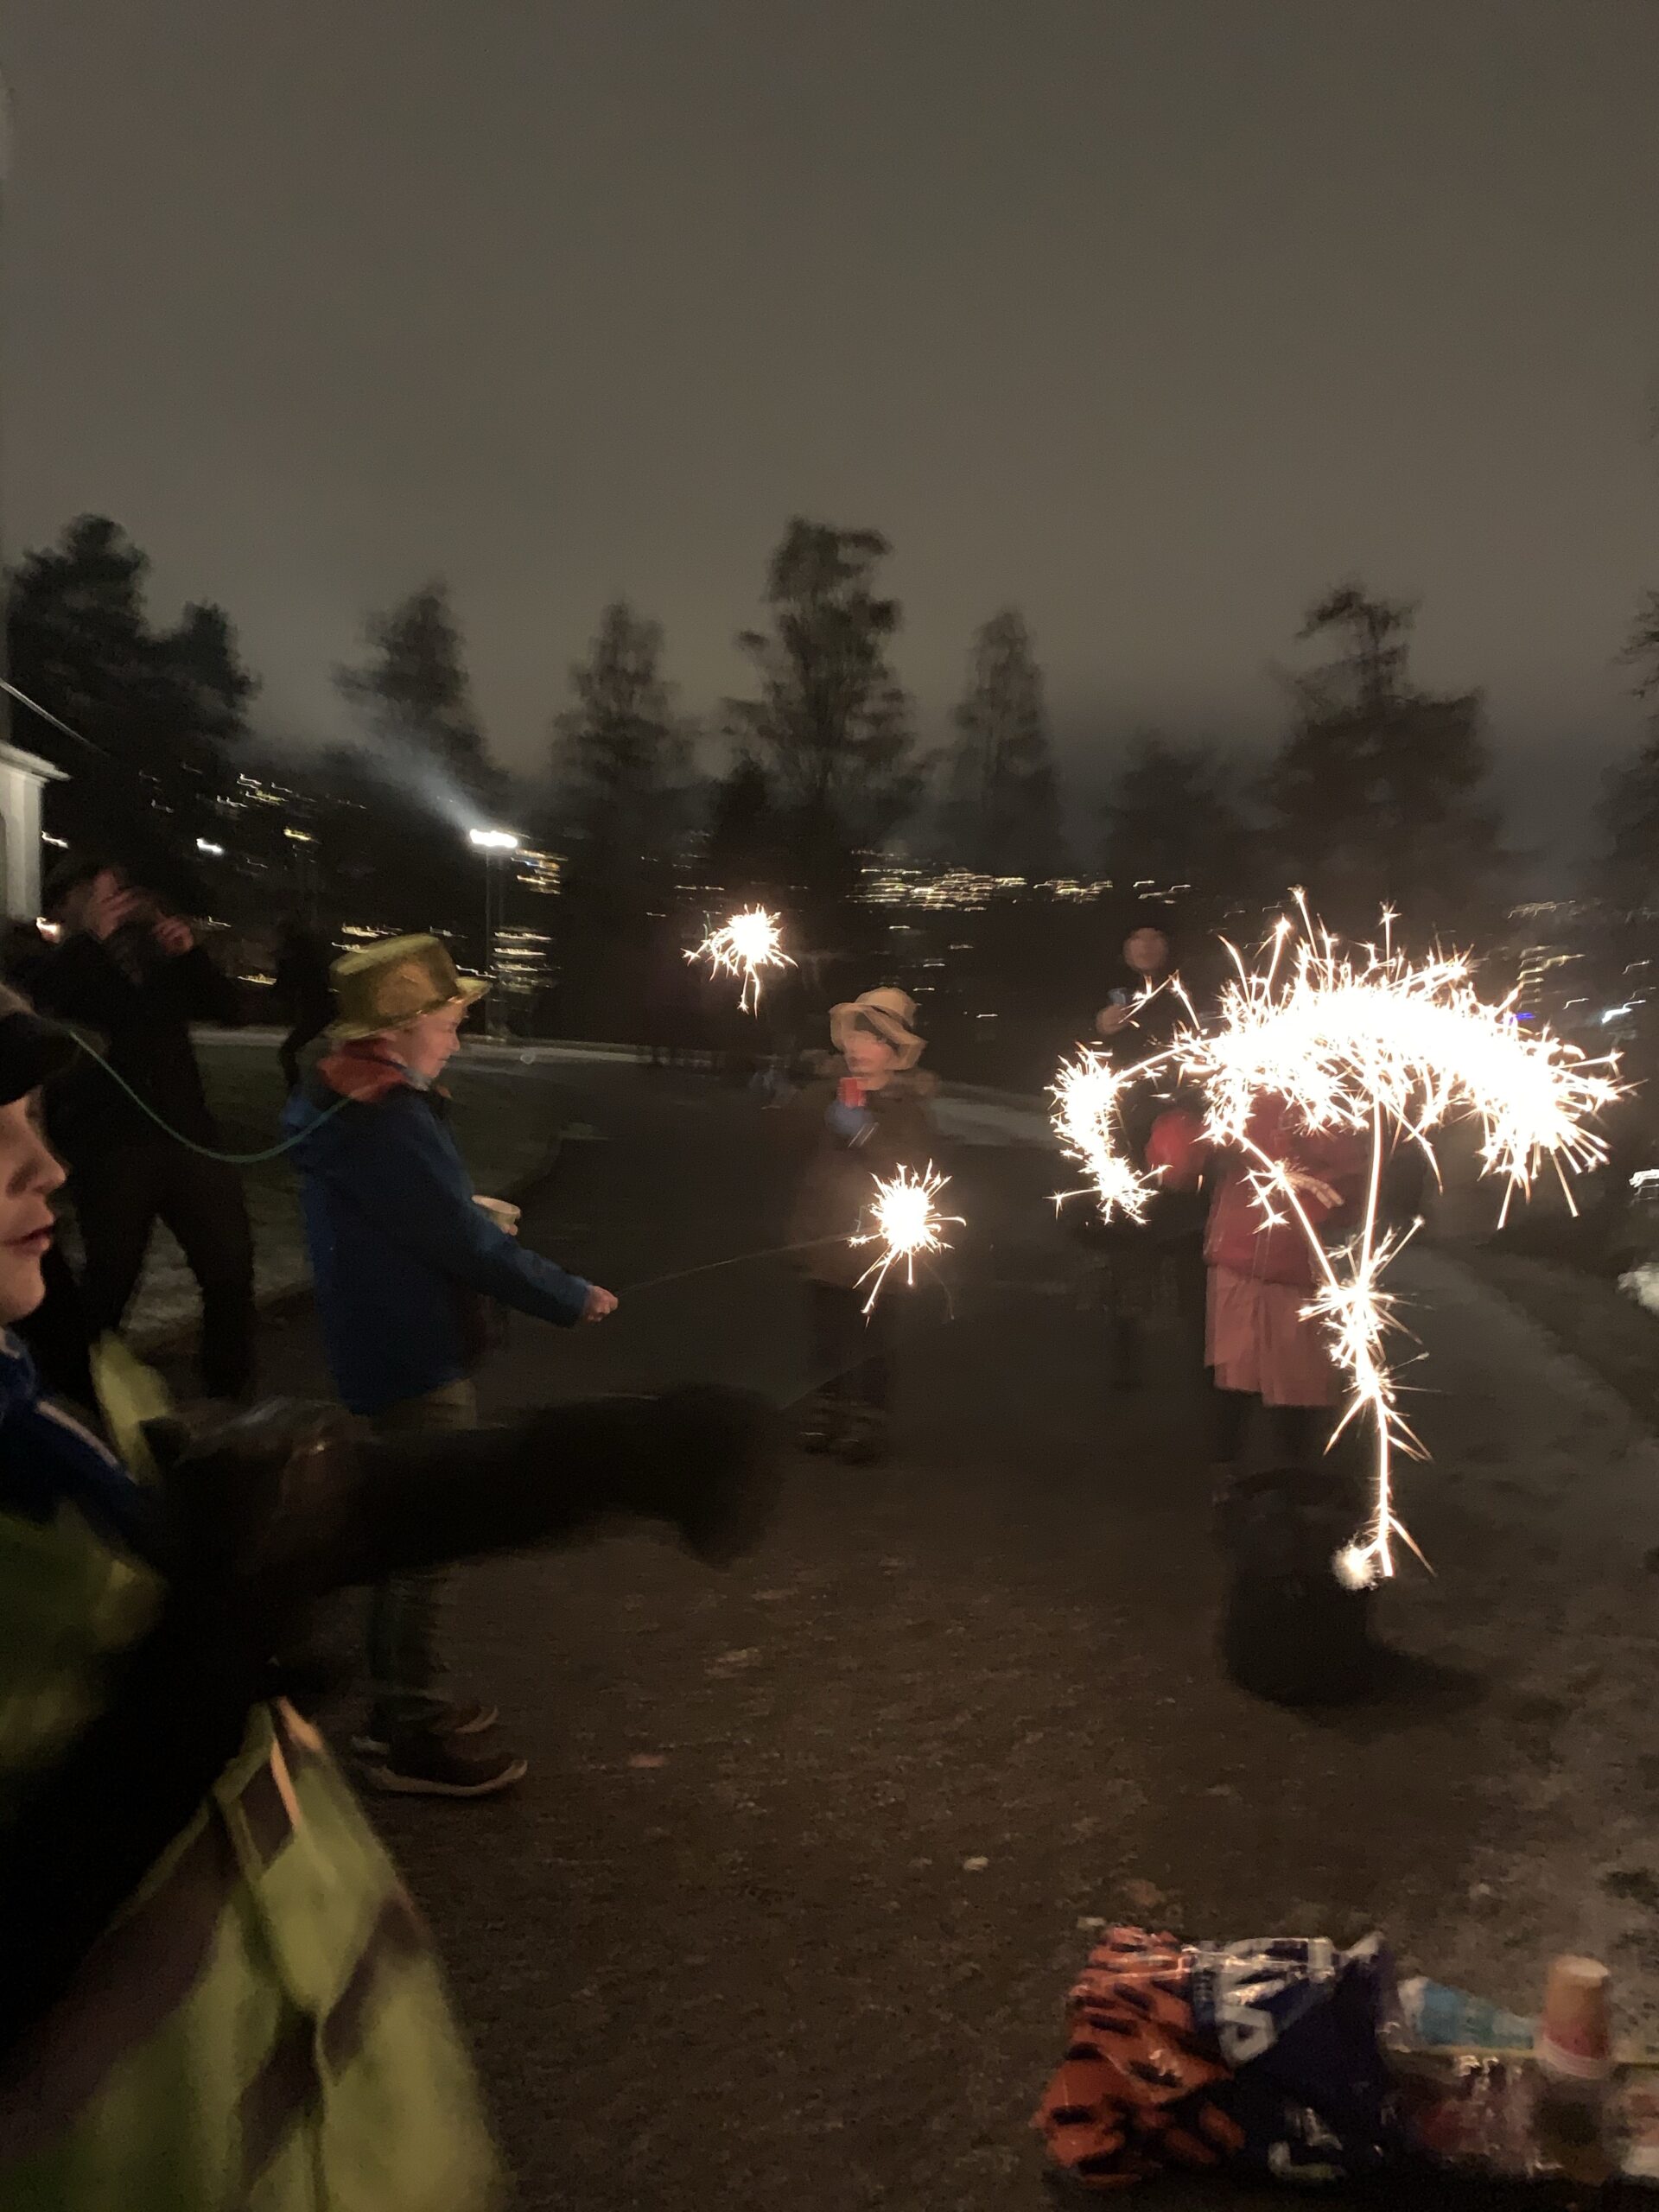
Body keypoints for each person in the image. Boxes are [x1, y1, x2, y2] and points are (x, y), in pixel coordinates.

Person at [0, 982, 779, 2210]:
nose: (42, 1166)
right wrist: (198, 1669)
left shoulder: (41, 1372)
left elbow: (289, 1521)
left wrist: (603, 1460)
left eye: (32, 1115)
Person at [284, 932, 620, 1797]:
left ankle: (403, 1706)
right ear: (402, 1028)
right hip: (409, 1345)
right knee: (425, 1535)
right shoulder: (389, 1118)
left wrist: (460, 1205)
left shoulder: (351, 1099)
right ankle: (409, 1729)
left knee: (409, 1521)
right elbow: (462, 1244)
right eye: (449, 1022)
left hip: (378, 1333)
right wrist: (569, 1295)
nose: (458, 1040)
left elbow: (416, 1212)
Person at [28, 854, 255, 1405]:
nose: (118, 906)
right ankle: (77, 1397)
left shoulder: (154, 960)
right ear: (70, 902)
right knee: (111, 1277)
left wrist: (189, 954)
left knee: (229, 1268)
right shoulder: (56, 962)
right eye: (103, 896)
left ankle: (228, 1394)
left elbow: (229, 1010)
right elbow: (57, 1005)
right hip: (112, 1146)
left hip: (187, 1135)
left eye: (122, 894)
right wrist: (92, 941)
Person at [1147, 1090, 1363, 1490]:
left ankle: (1291, 1487)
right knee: (1230, 1386)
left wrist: (1301, 1180)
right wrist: (1194, 1123)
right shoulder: (1234, 1090)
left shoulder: (1328, 1098)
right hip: (1239, 1262)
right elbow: (1176, 1168)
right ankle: (1228, 1481)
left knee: (1298, 1394)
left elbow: (1349, 1186)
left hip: (1300, 1270)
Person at [786, 987, 938, 1464]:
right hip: (826, 1231)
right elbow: (783, 1140)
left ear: (894, 1053)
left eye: (872, 1039)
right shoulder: (824, 1093)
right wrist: (796, 1098)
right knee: (827, 1332)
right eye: (854, 1037)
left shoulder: (907, 1108)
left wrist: (867, 1132)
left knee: (873, 1337)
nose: (857, 1048)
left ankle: (868, 1420)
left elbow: (913, 1167)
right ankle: (826, 1409)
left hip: (880, 1243)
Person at [1084, 914, 1207, 1391]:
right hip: (1123, 1146)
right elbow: (1071, 1057)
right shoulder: (1103, 993)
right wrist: (1099, 1028)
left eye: (1157, 937)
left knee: (1189, 1250)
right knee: (1129, 1251)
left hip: (1180, 1142)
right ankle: (1124, 1358)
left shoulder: (1188, 995)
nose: (1147, 945)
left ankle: (1203, 1356)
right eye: (1138, 936)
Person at [273, 915, 335, 1093]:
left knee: (288, 1052)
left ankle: (296, 1090)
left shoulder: (291, 957)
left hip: (315, 1010)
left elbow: (285, 986)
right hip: (326, 1008)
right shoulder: (312, 953)